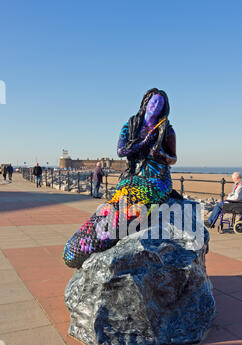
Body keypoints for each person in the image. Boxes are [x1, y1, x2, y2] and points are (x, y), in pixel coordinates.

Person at [63, 88, 177, 268]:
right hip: (132, 177)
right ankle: (85, 242)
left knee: (137, 204)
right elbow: (121, 151)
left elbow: (173, 159)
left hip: (157, 179)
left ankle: (106, 236)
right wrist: (143, 143)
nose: (155, 106)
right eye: (153, 101)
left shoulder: (167, 130)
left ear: (164, 108)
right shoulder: (130, 125)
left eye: (160, 103)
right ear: (145, 102)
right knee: (118, 200)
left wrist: (160, 155)